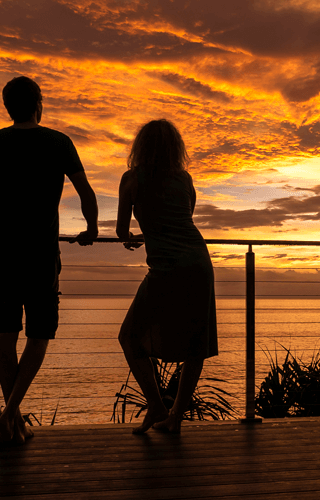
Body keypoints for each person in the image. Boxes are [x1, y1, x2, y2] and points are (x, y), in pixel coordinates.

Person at [0, 76, 98, 445]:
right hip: (41, 251)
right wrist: (91, 229)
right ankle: (10, 414)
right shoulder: (59, 142)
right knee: (40, 333)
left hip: (1, 248)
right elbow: (86, 193)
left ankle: (11, 419)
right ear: (39, 103)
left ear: (7, 107)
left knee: (5, 333)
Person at [116, 119, 218, 434]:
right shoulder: (185, 180)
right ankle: (173, 417)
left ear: (141, 147)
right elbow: (182, 218)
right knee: (195, 346)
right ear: (176, 149)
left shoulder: (131, 179)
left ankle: (157, 406)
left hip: (166, 267)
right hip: (199, 262)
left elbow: (122, 230)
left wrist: (134, 237)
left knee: (129, 337)